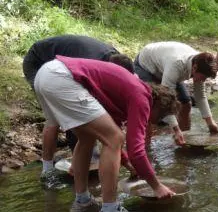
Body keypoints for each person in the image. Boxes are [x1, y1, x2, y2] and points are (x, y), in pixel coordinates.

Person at [34, 56, 178, 212]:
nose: (155, 121)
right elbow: (134, 149)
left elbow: (110, 138)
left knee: (87, 138)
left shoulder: (129, 92)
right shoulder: (143, 97)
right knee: (114, 137)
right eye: (160, 116)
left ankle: (83, 201)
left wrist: (129, 164)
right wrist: (156, 186)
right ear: (158, 105)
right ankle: (110, 207)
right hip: (63, 78)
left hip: (46, 74)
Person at [22, 35, 134, 180]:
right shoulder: (92, 63)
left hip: (57, 68)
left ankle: (79, 166)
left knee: (82, 116)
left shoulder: (117, 60)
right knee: (55, 120)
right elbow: (80, 112)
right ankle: (48, 172)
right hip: (39, 62)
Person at [134, 41, 218, 141]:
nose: (203, 80)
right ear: (195, 68)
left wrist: (210, 123)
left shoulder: (200, 64)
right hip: (146, 65)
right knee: (149, 107)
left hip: (165, 69)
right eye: (203, 77)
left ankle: (185, 140)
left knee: (186, 104)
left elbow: (200, 95)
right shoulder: (177, 64)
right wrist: (176, 129)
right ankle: (145, 148)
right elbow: (165, 101)